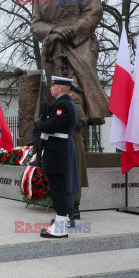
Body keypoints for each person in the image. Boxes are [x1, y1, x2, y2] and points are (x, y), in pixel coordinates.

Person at [31, 0, 110, 125]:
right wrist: (53, 31)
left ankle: (78, 138)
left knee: (76, 93)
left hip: (78, 45)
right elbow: (35, 24)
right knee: (56, 97)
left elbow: (94, 12)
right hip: (53, 50)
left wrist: (71, 31)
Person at [36, 76, 77, 238]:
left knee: (57, 188)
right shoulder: (64, 103)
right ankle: (62, 221)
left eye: (54, 86)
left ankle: (60, 227)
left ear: (61, 88)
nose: (51, 88)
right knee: (57, 187)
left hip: (57, 152)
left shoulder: (64, 105)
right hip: (56, 150)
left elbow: (51, 126)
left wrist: (39, 123)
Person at [70, 85, 89, 219]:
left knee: (76, 173)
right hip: (73, 140)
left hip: (75, 142)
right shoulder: (74, 106)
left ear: (73, 95)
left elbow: (80, 122)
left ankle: (75, 206)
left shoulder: (76, 107)